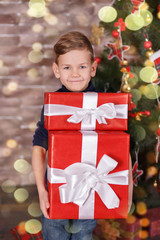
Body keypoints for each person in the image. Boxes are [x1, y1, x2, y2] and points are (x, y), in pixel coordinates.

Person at [32, 31, 133, 240]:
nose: (75, 73)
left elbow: (122, 148)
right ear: (56, 70)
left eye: (82, 66)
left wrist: (128, 191)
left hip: (92, 187)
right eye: (67, 67)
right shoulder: (53, 106)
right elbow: (38, 147)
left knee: (84, 234)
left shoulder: (107, 108)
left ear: (93, 69)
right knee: (53, 232)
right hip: (57, 186)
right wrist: (42, 191)